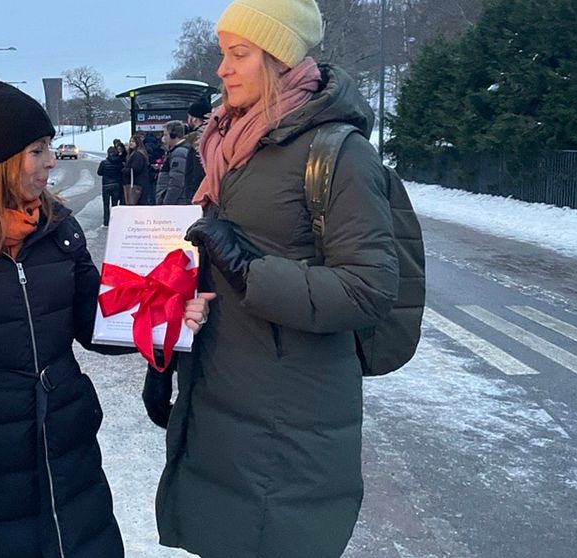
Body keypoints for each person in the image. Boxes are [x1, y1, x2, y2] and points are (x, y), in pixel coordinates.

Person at [0, 76, 213, 558]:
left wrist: (171, 311)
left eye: (49, 147)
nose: (51, 160)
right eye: (37, 150)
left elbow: (95, 320)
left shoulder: (58, 228)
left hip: (67, 456)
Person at [145, 1, 400, 557]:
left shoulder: (338, 153)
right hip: (218, 394)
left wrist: (248, 269)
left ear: (282, 62)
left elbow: (370, 288)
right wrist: (167, 350)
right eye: (222, 54)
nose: (222, 69)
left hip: (290, 418)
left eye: (239, 55)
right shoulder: (224, 146)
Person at [155, 120, 203, 205]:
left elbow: (176, 181)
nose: (163, 138)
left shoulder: (178, 153)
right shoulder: (179, 151)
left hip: (177, 202)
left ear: (174, 135)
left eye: (165, 134)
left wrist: (166, 202)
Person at [96, 146, 124, 226]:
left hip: (106, 185)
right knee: (114, 204)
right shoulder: (119, 163)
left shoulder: (104, 163)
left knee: (106, 204)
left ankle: (106, 222)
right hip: (116, 185)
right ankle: (114, 220)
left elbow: (99, 173)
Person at [121, 135, 151, 205]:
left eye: (133, 141)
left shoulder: (137, 155)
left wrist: (124, 170)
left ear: (138, 143)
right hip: (139, 183)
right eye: (130, 141)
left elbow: (135, 169)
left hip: (136, 184)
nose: (131, 143)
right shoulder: (138, 153)